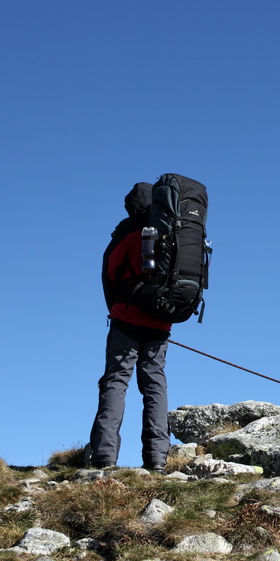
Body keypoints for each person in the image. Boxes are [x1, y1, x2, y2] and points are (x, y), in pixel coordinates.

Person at [88, 181, 172, 472]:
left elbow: (109, 269)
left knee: (116, 381)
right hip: (162, 319)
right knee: (154, 385)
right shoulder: (172, 227)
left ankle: (104, 457)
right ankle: (157, 459)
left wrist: (116, 306)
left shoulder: (130, 228)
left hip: (127, 317)